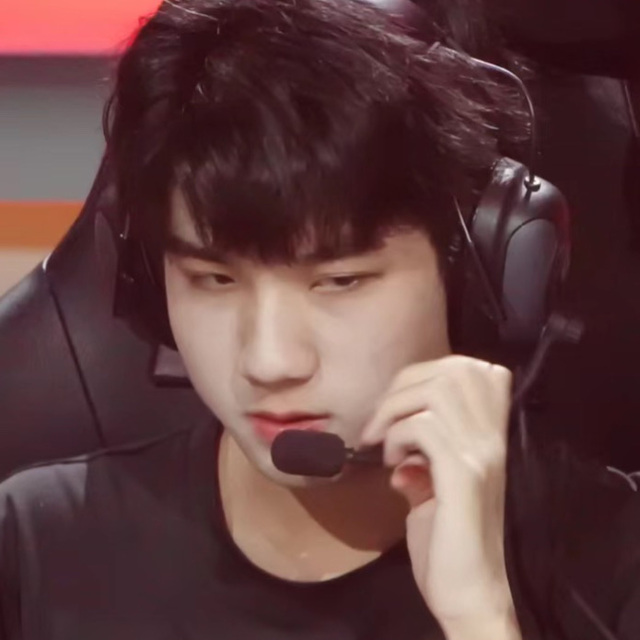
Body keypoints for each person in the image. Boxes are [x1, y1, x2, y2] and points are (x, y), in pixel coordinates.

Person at [1, 0, 639, 638]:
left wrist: (481, 616)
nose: (270, 362)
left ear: (476, 278)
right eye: (214, 280)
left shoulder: (613, 558)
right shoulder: (35, 547)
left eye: (340, 282)